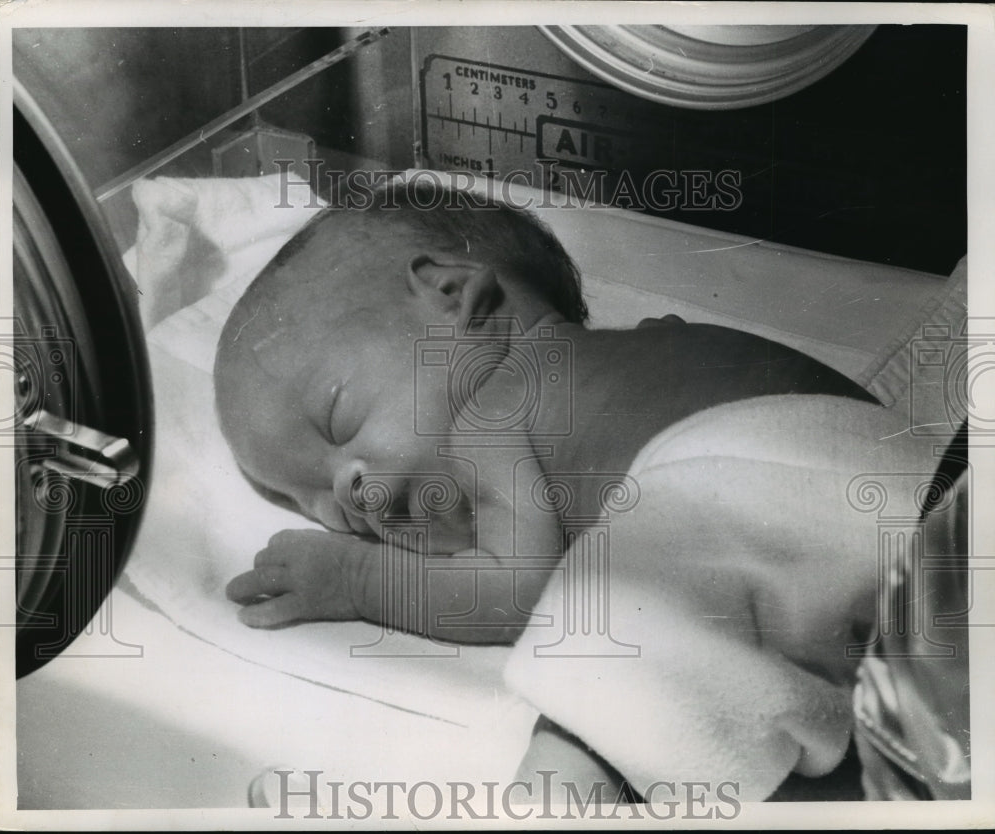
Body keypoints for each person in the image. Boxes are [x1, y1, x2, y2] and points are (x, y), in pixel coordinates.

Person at [213, 179, 892, 802]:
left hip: (763, 474)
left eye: (338, 418)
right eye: (317, 507)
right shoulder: (657, 344)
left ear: (452, 294)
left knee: (600, 651)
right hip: (915, 493)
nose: (349, 494)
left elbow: (515, 589)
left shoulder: (497, 412)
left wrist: (355, 580)